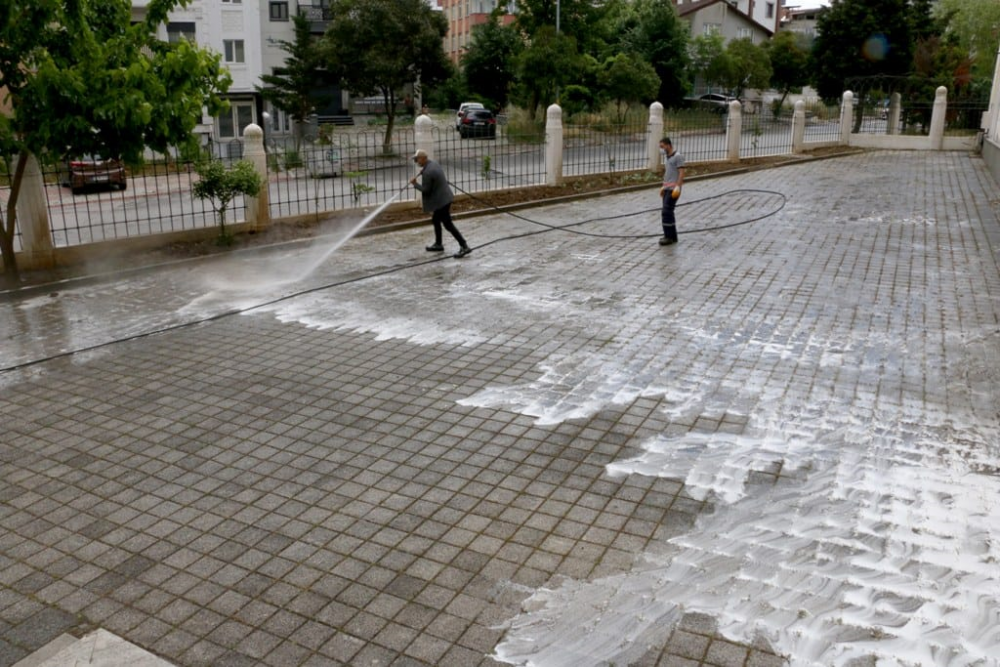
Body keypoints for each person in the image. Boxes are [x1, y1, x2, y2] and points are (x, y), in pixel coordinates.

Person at [410, 149, 472, 258]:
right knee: (435, 220)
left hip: (442, 201)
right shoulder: (433, 164)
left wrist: (415, 184)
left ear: (424, 158)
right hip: (445, 197)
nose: (416, 161)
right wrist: (423, 170)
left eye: (417, 159)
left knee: (448, 224)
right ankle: (438, 244)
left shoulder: (428, 172)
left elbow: (426, 190)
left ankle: (464, 245)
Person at [658, 137, 685, 246]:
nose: (661, 149)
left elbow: (681, 173)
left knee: (666, 212)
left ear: (668, 145)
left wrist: (678, 187)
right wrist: (663, 186)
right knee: (668, 212)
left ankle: (668, 236)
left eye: (662, 146)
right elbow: (668, 174)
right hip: (667, 189)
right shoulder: (667, 158)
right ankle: (672, 236)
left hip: (673, 190)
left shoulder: (677, 157)